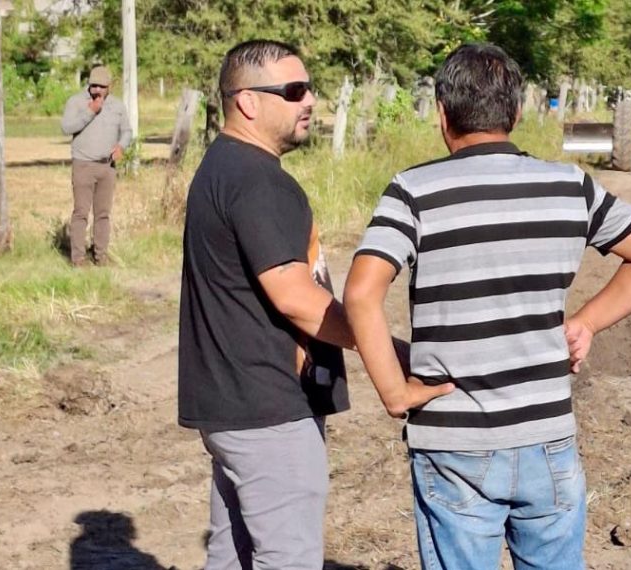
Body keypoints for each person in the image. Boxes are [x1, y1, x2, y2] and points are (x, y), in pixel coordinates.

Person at [344, 43, 631, 570]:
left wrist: (394, 390)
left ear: (441, 113)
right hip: (548, 440)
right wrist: (587, 321)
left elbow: (362, 292)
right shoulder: (571, 186)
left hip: (453, 444)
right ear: (517, 111)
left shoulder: (412, 193)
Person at [178, 39, 448, 570]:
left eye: (310, 89)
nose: (309, 101)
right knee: (289, 557)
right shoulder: (258, 180)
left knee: (231, 555)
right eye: (294, 91)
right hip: (268, 408)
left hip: (230, 405)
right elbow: (297, 299)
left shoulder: (221, 166)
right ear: (248, 102)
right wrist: (385, 352)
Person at [60, 65, 132, 267]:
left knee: (103, 214)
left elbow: (127, 131)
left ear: (110, 87)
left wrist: (121, 146)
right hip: (83, 164)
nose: (97, 90)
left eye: (101, 86)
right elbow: (66, 127)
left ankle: (100, 255)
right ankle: (78, 259)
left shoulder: (118, 106)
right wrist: (89, 112)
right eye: (93, 86)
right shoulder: (76, 102)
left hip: (107, 167)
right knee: (81, 212)